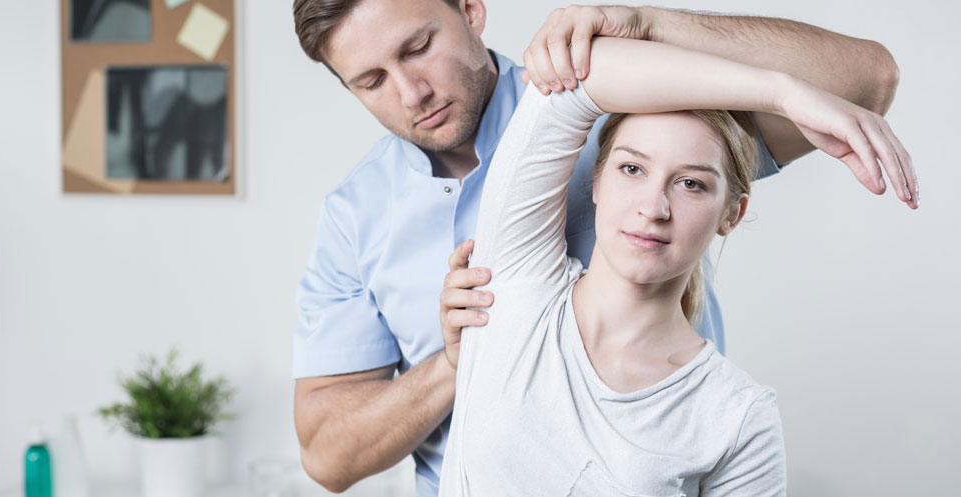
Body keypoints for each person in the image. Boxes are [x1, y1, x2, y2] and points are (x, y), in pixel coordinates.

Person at [290, 1, 913, 494]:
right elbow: (326, 456)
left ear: (471, 8)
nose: (412, 93)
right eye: (371, 80)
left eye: (418, 47)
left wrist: (648, 27)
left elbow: (864, 81)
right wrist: (460, 361)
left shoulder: (635, 115)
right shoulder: (354, 216)